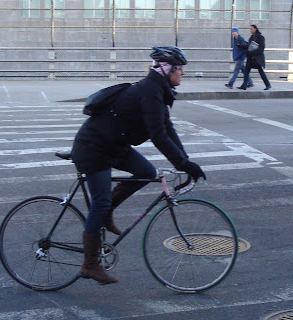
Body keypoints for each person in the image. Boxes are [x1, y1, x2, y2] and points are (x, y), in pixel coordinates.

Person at [71, 46, 206, 285]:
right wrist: (184, 163)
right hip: (94, 148)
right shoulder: (151, 91)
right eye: (180, 69)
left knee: (146, 172)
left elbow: (168, 129)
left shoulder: (157, 90)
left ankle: (107, 212)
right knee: (99, 203)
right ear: (168, 70)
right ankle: (89, 264)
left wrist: (186, 163)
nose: (183, 73)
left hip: (114, 145)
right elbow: (158, 135)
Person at [237, 24, 271, 90]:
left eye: (251, 29)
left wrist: (252, 52)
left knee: (261, 71)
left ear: (255, 29)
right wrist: (240, 45)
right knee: (246, 71)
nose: (250, 30)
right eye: (250, 29)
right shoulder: (252, 37)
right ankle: (244, 85)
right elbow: (248, 46)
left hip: (257, 58)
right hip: (250, 57)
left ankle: (268, 85)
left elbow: (261, 48)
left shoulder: (260, 37)